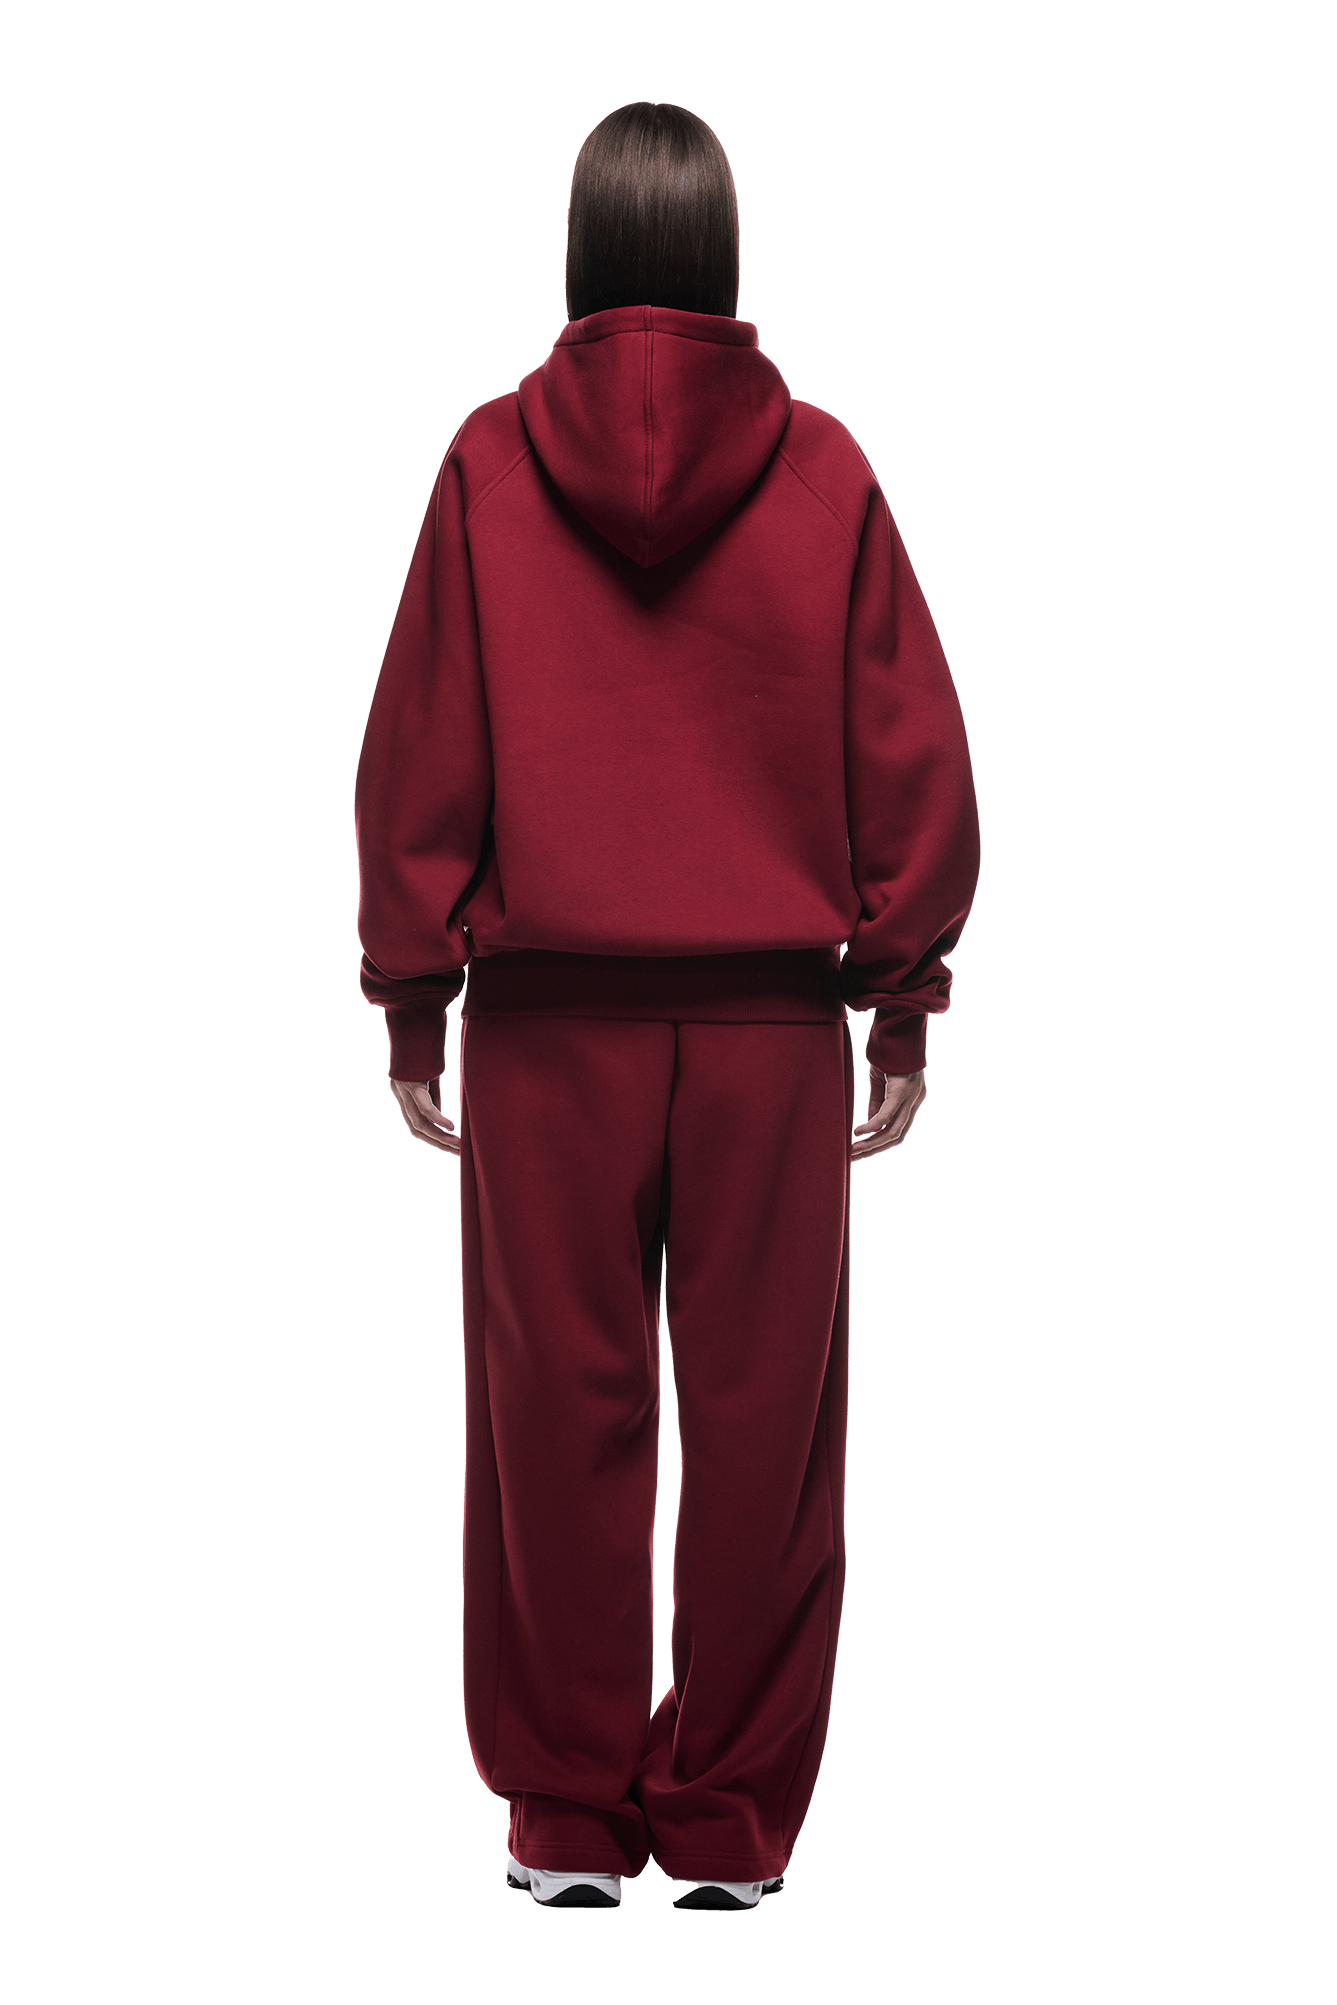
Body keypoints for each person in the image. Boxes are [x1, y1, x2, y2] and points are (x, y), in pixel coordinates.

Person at [354, 101, 980, 1912]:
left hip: (543, 1036)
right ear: (722, 256)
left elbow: (419, 750)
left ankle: (564, 1820)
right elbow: (914, 755)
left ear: (578, 256)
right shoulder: (827, 472)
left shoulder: (486, 465)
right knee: (768, 1430)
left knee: (550, 1422)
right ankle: (727, 1824)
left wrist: (412, 996)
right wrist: (899, 996)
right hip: (772, 1040)